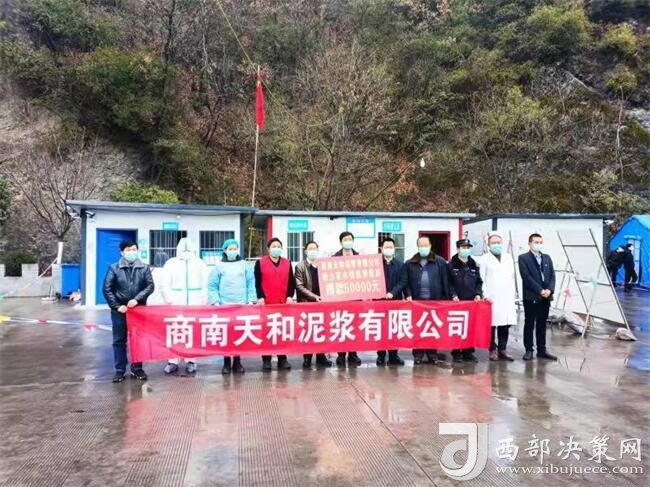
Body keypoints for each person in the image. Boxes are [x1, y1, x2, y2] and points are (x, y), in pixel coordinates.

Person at [103, 239, 154, 383]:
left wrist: (137, 299)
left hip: (138, 310)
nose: (132, 252)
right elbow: (107, 289)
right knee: (119, 340)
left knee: (138, 339)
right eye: (128, 250)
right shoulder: (114, 268)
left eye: (134, 249)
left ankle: (137, 368)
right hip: (120, 311)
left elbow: (150, 286)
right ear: (122, 252)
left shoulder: (144, 268)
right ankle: (120, 370)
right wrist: (117, 306)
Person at [160, 237, 208, 375]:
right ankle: (172, 361)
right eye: (183, 249)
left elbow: (205, 283)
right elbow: (164, 284)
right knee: (175, 332)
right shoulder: (171, 263)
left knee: (192, 332)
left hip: (195, 303)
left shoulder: (199, 263)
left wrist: (203, 301)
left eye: (188, 249)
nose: (186, 252)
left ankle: (191, 360)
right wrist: (170, 300)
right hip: (176, 303)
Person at [208, 238, 256, 374]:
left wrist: (251, 300)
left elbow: (250, 283)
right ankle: (226, 362)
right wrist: (216, 301)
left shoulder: (244, 265)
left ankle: (237, 361)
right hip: (224, 306)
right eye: (230, 249)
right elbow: (212, 285)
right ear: (225, 250)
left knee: (238, 333)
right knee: (226, 334)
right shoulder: (219, 266)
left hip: (241, 305)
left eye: (235, 249)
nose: (233, 251)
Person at [404, 235, 451, 365]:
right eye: (421, 245)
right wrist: (408, 294)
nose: (423, 247)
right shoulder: (410, 263)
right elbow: (406, 282)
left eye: (425, 245)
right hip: (417, 303)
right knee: (418, 329)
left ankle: (432, 354)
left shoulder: (440, 262)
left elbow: (445, 281)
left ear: (430, 246)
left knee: (432, 328)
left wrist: (445, 299)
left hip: (434, 302)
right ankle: (418, 354)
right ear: (417, 247)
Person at [254, 238, 296, 371]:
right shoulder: (260, 263)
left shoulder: (287, 263)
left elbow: (291, 282)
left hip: (282, 303)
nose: (276, 248)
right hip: (267, 303)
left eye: (278, 246)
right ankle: (266, 359)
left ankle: (282, 358)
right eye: (274, 246)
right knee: (267, 331)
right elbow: (257, 282)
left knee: (282, 331)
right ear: (268, 249)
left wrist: (290, 295)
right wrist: (260, 297)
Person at [518, 233, 557, 361]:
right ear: (530, 243)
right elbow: (526, 277)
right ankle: (529, 349)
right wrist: (540, 290)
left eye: (540, 242)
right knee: (529, 323)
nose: (538, 244)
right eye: (536, 242)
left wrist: (550, 290)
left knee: (542, 324)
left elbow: (552, 275)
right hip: (531, 296)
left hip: (546, 297)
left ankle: (542, 350)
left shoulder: (547, 258)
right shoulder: (523, 258)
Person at [479, 232, 517, 361]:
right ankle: (492, 349)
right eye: (494, 243)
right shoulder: (484, 259)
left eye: (499, 242)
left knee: (504, 324)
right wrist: (485, 295)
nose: (497, 245)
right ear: (489, 245)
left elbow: (512, 277)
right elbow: (481, 279)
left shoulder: (508, 258)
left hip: (506, 296)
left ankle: (502, 349)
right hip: (492, 296)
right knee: (491, 325)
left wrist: (513, 294)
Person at [295, 240, 332, 369]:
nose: (313, 251)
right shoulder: (300, 266)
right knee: (308, 331)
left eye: (315, 248)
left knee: (321, 330)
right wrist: (315, 297)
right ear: (305, 251)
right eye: (310, 248)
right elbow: (299, 286)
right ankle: (307, 358)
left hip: (322, 304)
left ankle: (321, 357)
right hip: (307, 304)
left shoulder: (323, 265)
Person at [448, 238, 482, 363]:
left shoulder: (474, 264)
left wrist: (478, 294)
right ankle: (456, 352)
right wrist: (453, 295)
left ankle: (468, 352)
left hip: (471, 302)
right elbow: (448, 283)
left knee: (470, 327)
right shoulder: (451, 265)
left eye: (468, 247)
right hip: (456, 302)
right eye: (463, 247)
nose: (466, 250)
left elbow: (479, 282)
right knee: (457, 327)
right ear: (458, 249)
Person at [333, 231, 362, 367]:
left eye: (350, 239)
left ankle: (353, 354)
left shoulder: (359, 258)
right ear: (341, 242)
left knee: (354, 326)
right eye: (345, 239)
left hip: (355, 299)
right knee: (342, 325)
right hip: (341, 298)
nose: (348, 241)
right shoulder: (334, 258)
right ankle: (341, 354)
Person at [376, 237, 406, 366]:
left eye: (391, 247)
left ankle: (393, 355)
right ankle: (381, 356)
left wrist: (392, 292)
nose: (388, 249)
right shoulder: (375, 264)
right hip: (380, 302)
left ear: (394, 249)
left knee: (394, 329)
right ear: (381, 249)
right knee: (381, 329)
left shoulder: (400, 265)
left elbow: (403, 281)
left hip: (395, 302)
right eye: (386, 247)